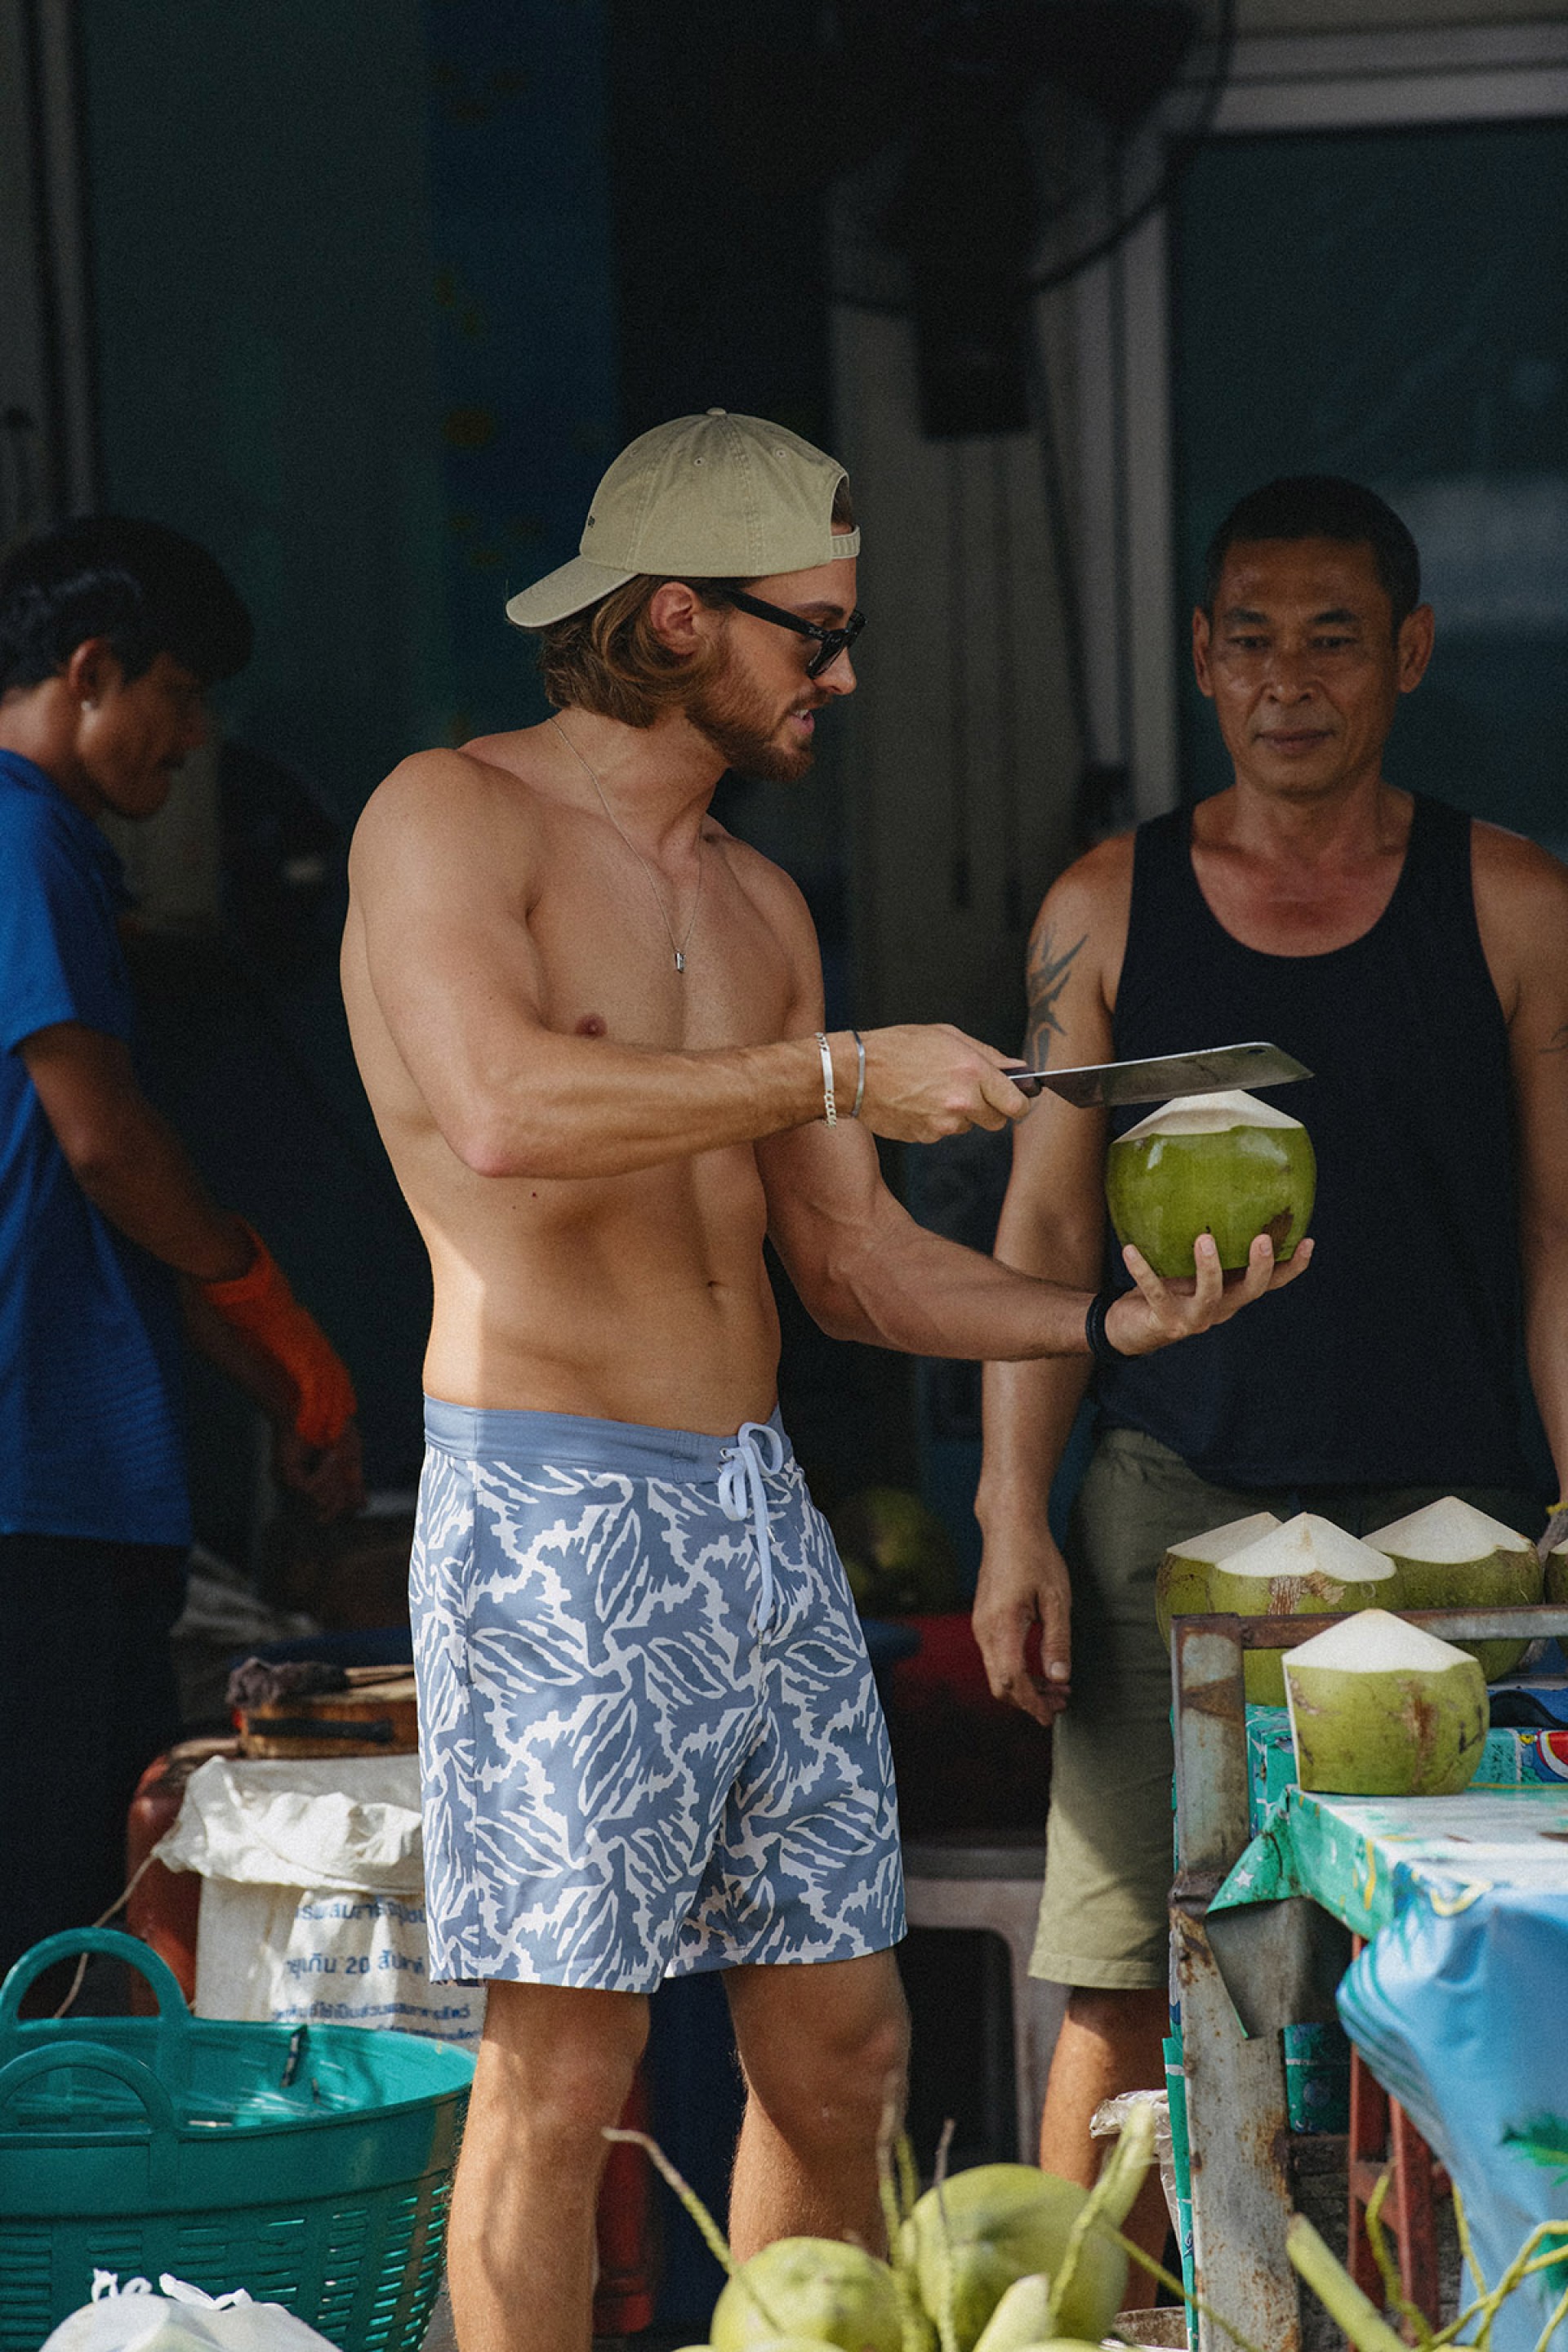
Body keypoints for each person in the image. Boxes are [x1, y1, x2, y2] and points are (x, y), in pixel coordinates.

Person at [340, 408, 1307, 2352]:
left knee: (847, 2043)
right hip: (552, 1506)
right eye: (820, 633)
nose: (845, 678)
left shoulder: (761, 907)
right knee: (563, 2069)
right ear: (676, 618)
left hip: (756, 1514)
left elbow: (856, 1269)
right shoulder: (448, 814)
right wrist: (843, 1070)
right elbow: (505, 1110)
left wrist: (1104, 1327)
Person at [973, 474, 1568, 2286]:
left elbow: (1562, 1237)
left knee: (1434, 1958)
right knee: (1121, 1964)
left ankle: (1423, 2310)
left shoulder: (1513, 903)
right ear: (1202, 660)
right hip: (1169, 1501)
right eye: (1251, 640)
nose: (1288, 679)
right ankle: (1092, 2319)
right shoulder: (1107, 908)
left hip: (1450, 1519)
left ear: (1410, 652)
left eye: (1333, 638)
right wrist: (1010, 1517)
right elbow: (1042, 1237)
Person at [0, 515, 363, 1995]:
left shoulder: (52, 851)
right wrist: (270, 1307)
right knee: (52, 1930)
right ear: (92, 670)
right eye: (182, 693)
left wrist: (280, 1368)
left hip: (59, 1477)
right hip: (36, 1484)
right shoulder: (23, 832)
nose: (198, 736)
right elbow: (104, 1142)